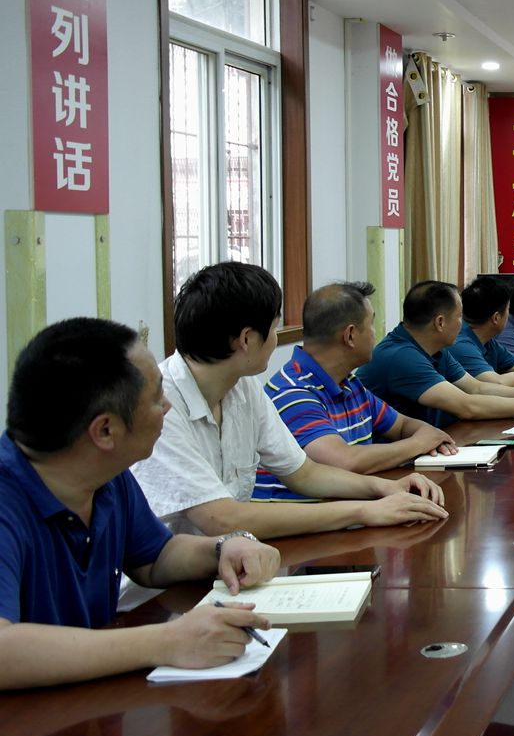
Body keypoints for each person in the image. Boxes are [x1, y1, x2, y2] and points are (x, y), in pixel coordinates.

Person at [0, 318, 283, 689]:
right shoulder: (8, 500)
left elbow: (154, 557)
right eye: (155, 397)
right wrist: (167, 641)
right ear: (105, 430)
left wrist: (223, 549)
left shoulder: (106, 476)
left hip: (91, 700)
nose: (167, 406)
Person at [132, 262, 449, 540]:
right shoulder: (161, 405)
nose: (276, 339)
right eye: (274, 328)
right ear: (247, 339)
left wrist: (384, 488)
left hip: (231, 561)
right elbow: (222, 519)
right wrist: (364, 511)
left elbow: (304, 473)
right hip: (170, 582)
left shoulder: (244, 388)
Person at [263, 282, 459, 476]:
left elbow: (401, 425)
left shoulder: (350, 384)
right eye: (371, 324)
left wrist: (429, 436)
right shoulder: (293, 392)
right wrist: (419, 443)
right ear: (350, 335)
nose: (375, 334)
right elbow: (344, 461)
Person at [357, 280, 514, 428]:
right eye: (459, 316)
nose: (463, 323)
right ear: (440, 322)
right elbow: (467, 406)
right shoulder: (402, 356)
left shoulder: (436, 349)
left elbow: (477, 388)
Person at [448, 278, 514, 388]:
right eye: (508, 310)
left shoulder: (488, 341)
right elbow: (496, 384)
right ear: (496, 318)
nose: (509, 315)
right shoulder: (461, 344)